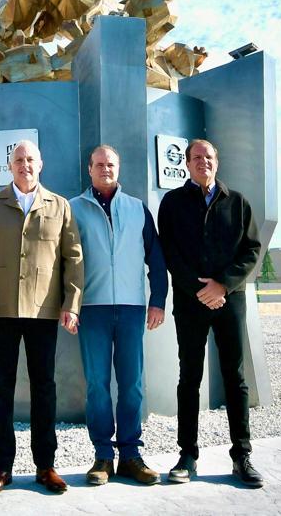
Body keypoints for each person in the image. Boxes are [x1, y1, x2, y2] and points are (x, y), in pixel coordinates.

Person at [0, 140, 84, 495]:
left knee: (44, 388)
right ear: (10, 166)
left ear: (41, 163)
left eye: (30, 159)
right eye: (18, 160)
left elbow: (73, 258)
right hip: (0, 311)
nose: (25, 164)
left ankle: (45, 465)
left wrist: (71, 304)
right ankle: (2, 466)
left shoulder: (59, 206)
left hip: (44, 311)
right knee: (0, 388)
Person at [158, 138, 264, 489]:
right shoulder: (172, 203)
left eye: (209, 157)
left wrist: (223, 285)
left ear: (217, 162)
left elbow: (251, 251)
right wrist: (200, 290)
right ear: (187, 163)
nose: (203, 161)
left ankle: (241, 455)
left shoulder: (237, 203)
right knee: (189, 377)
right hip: (190, 303)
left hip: (229, 302)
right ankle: (187, 455)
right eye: (196, 157)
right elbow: (169, 252)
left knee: (235, 377)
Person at [69, 145, 167, 486]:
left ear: (118, 167)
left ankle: (130, 454)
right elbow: (62, 262)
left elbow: (156, 259)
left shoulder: (137, 208)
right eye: (99, 164)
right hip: (91, 308)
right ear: (90, 169)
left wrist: (158, 300)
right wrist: (68, 304)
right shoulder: (73, 209)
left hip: (130, 307)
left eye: (110, 164)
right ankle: (102, 456)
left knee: (132, 384)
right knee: (97, 385)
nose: (105, 169)